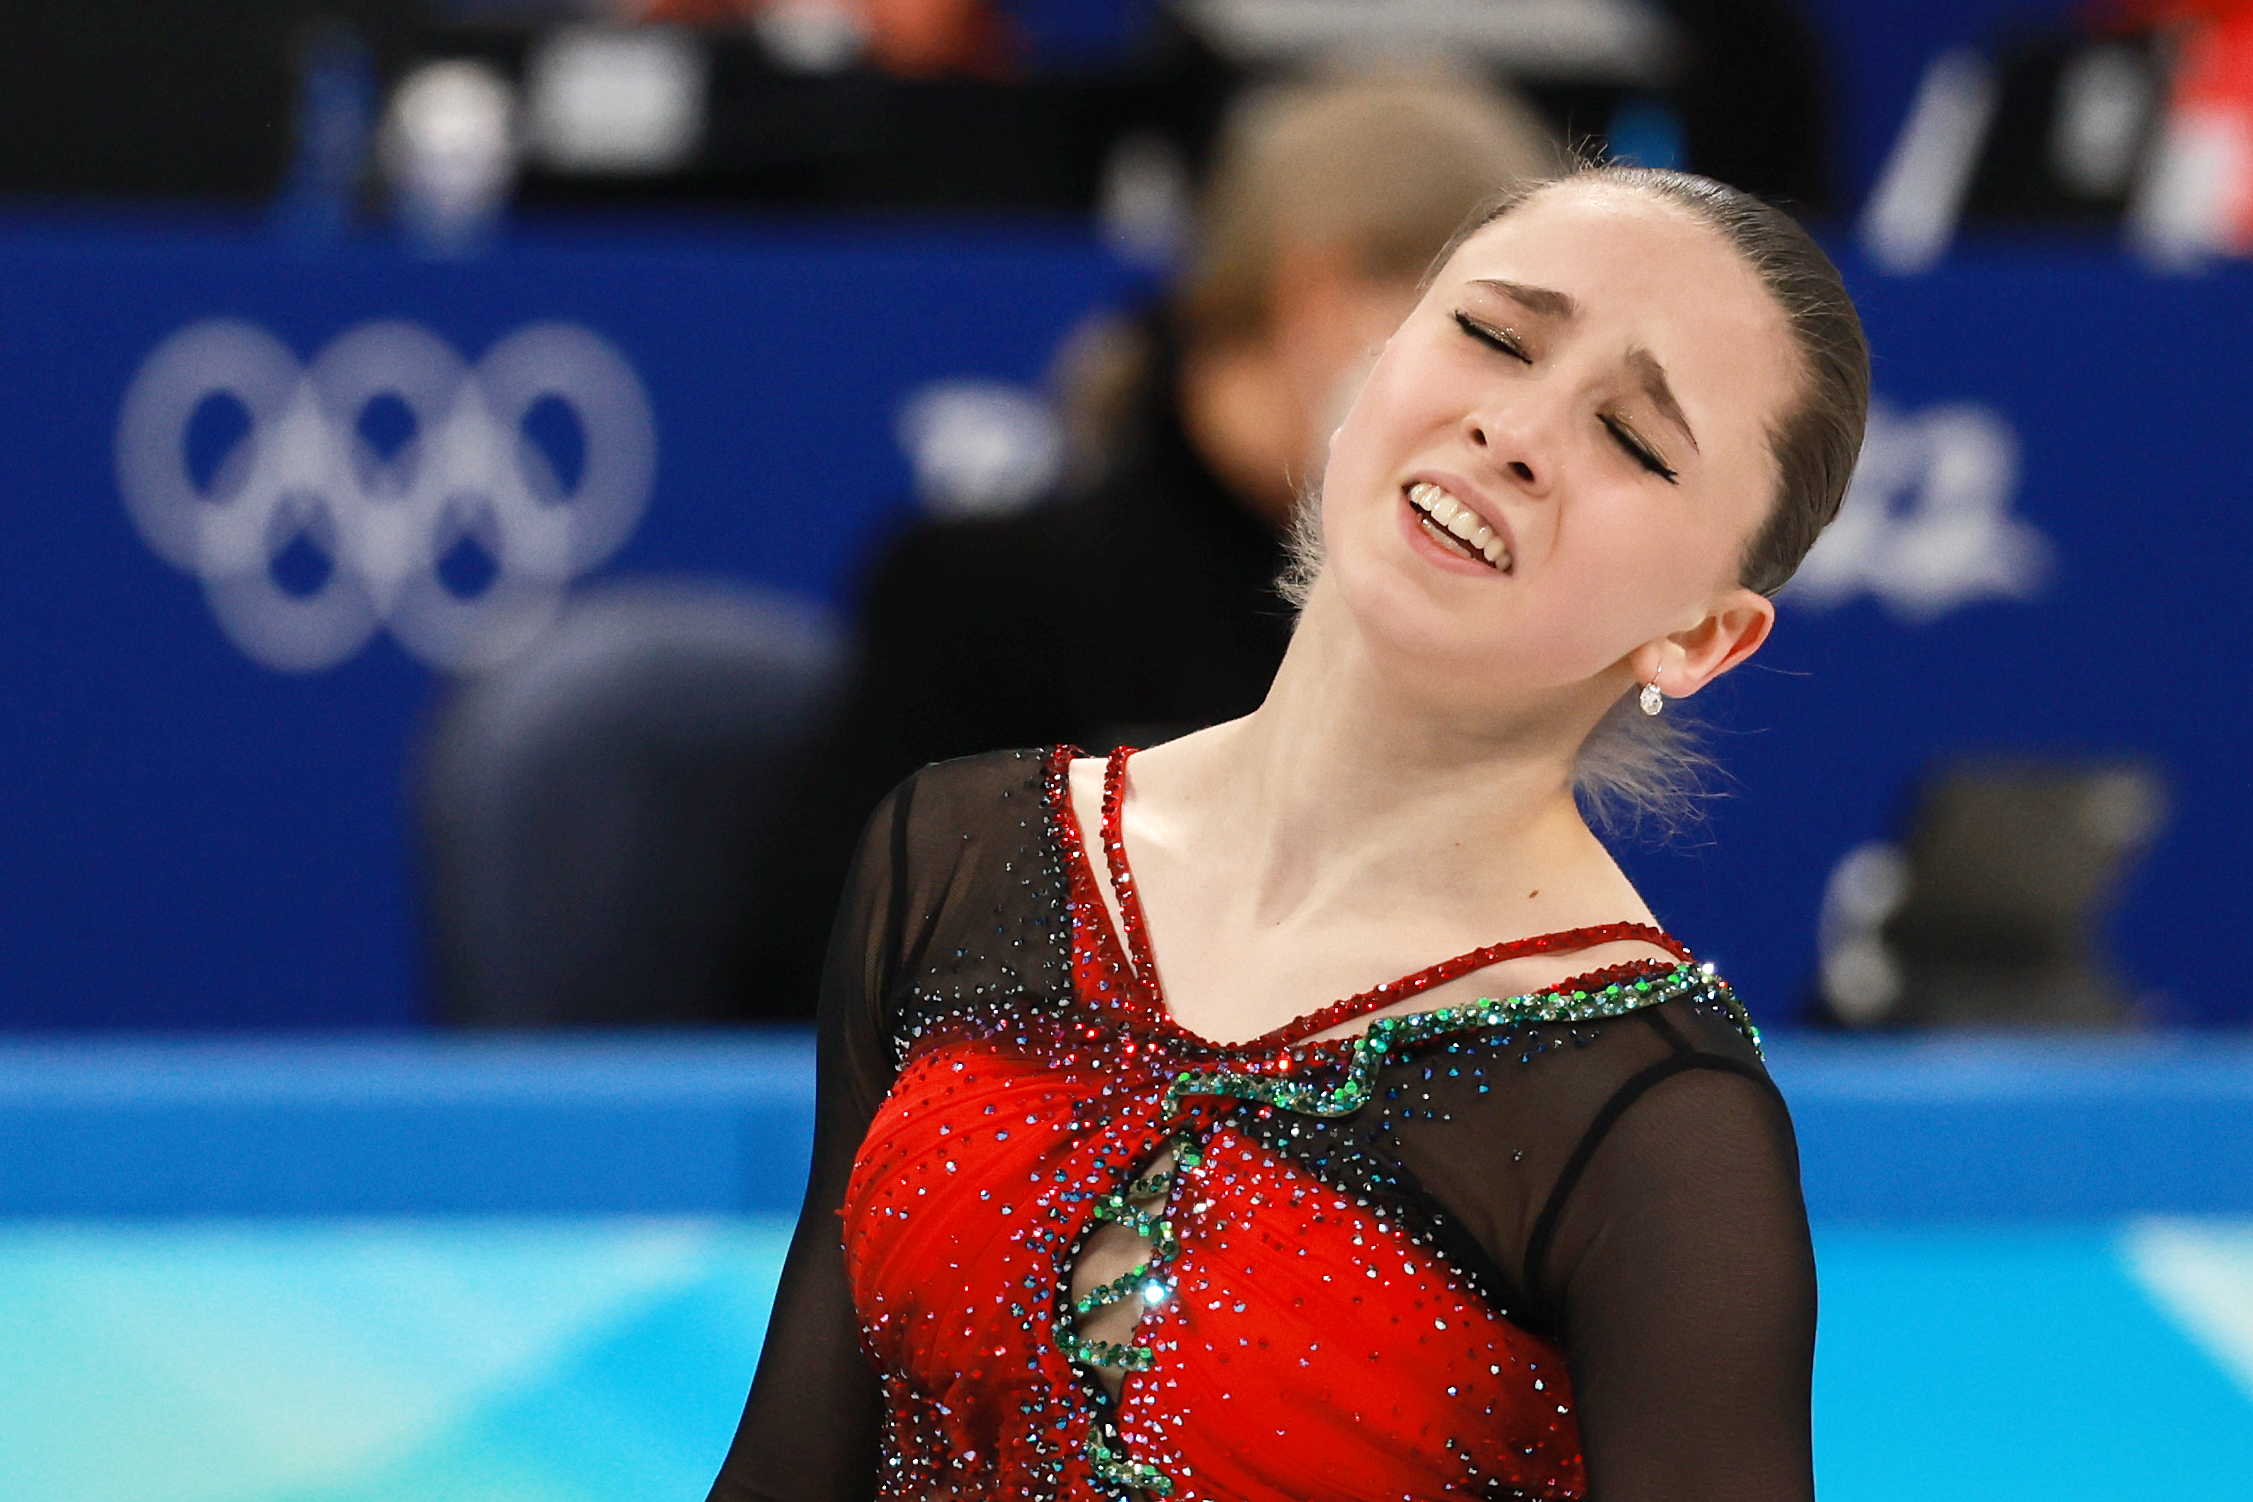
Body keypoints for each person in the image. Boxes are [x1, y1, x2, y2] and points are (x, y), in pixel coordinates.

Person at [709, 163, 1869, 1501]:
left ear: (1703, 636)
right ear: (1371, 362)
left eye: (1634, 437)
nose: (1517, 429)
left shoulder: (1648, 1125)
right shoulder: (963, 853)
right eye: (1493, 336)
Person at [732, 71, 1557, 1019]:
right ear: (1321, 296)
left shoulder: (1451, 636)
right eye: (1493, 342)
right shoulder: (981, 594)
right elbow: (831, 979)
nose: (1513, 422)